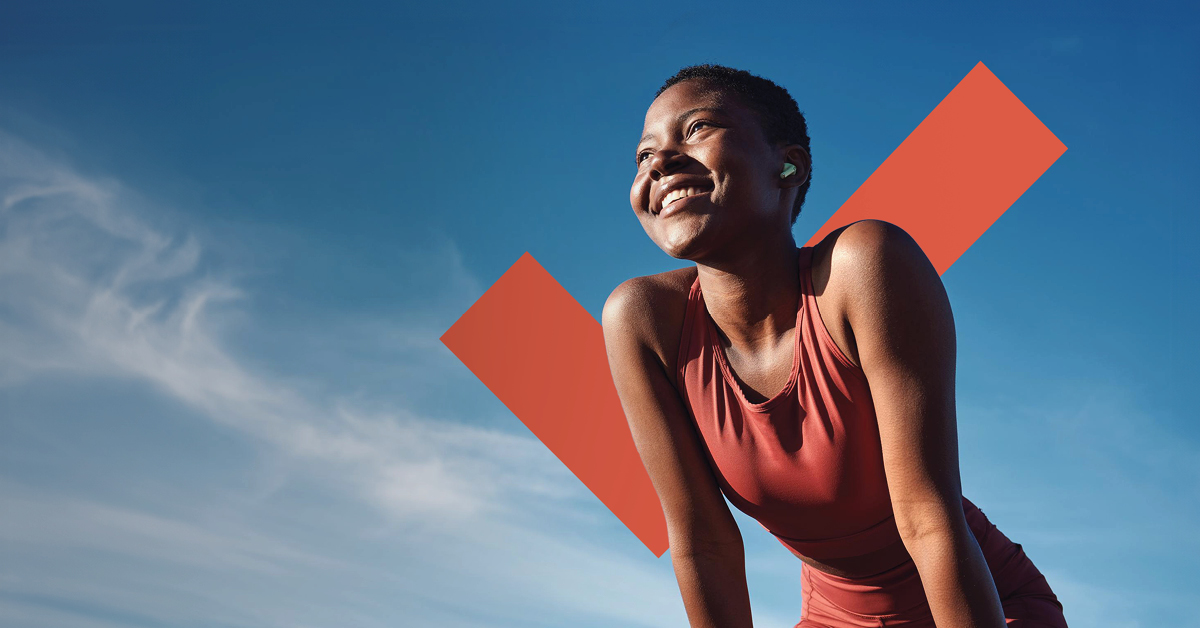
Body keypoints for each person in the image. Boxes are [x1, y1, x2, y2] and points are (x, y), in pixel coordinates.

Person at [601, 64, 1067, 628]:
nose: (661, 162)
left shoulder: (864, 265)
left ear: (789, 165)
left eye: (697, 129)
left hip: (982, 606)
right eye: (643, 155)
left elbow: (928, 518)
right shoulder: (643, 320)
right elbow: (704, 543)